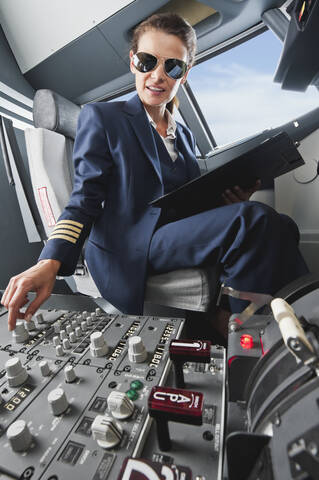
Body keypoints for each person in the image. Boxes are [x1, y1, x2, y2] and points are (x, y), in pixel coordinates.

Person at [1, 13, 308, 336]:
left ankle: (294, 317)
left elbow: (187, 199)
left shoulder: (184, 136)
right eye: (148, 62)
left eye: (172, 67)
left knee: (282, 225)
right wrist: (49, 260)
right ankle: (251, 329)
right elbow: (84, 199)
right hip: (128, 240)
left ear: (185, 75)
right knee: (253, 220)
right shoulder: (103, 117)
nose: (158, 76)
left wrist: (229, 203)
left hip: (170, 232)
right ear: (133, 62)